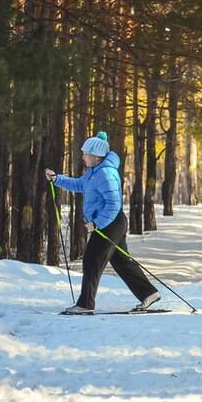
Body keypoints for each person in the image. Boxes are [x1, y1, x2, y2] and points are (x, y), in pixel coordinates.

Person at [45, 131, 160, 314]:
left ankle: (85, 304)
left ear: (96, 156)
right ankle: (149, 293)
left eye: (86, 154)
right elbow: (78, 185)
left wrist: (98, 223)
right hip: (111, 222)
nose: (83, 157)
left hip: (110, 223)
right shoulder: (93, 172)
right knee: (121, 261)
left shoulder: (106, 173)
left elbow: (114, 203)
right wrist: (57, 179)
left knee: (92, 259)